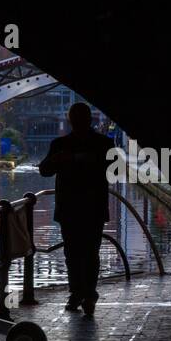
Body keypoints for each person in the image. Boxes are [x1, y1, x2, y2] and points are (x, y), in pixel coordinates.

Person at [38, 102, 114, 316]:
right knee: (89, 252)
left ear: (70, 120)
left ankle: (79, 292)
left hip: (70, 207)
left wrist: (64, 159)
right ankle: (88, 293)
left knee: (74, 253)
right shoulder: (104, 143)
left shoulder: (61, 144)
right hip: (93, 208)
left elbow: (44, 170)